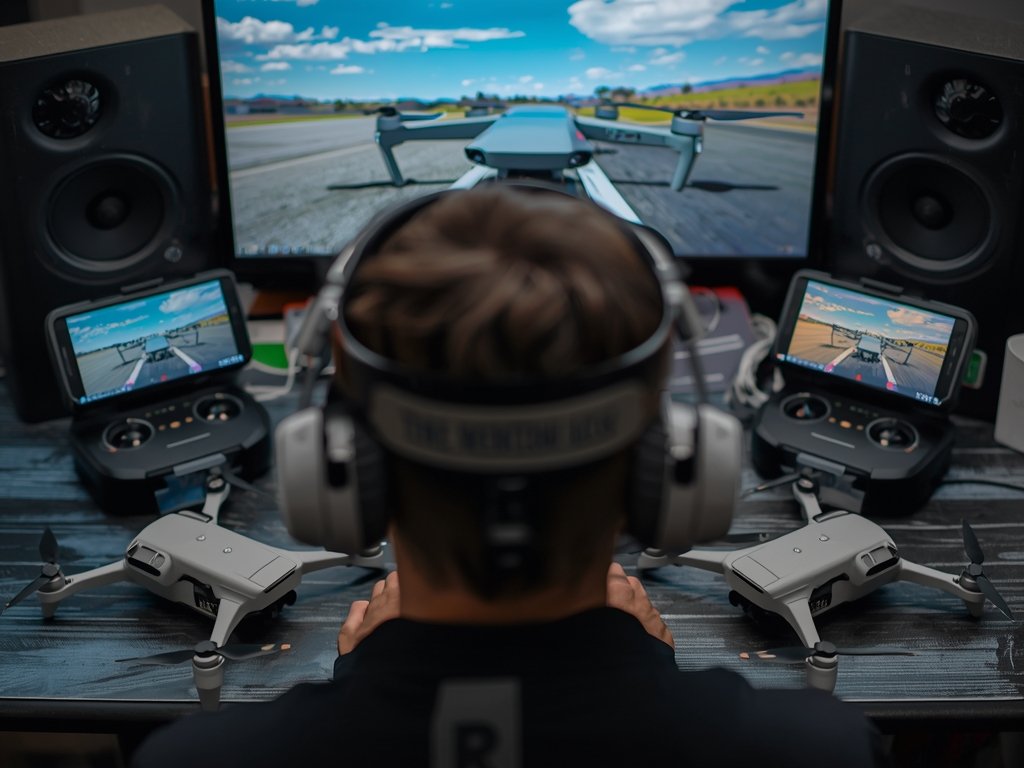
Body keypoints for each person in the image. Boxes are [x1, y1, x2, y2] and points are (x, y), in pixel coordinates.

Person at [132, 185, 886, 767]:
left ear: (338, 462)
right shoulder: (818, 751)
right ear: (673, 460)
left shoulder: (194, 761)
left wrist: (366, 686)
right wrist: (644, 671)